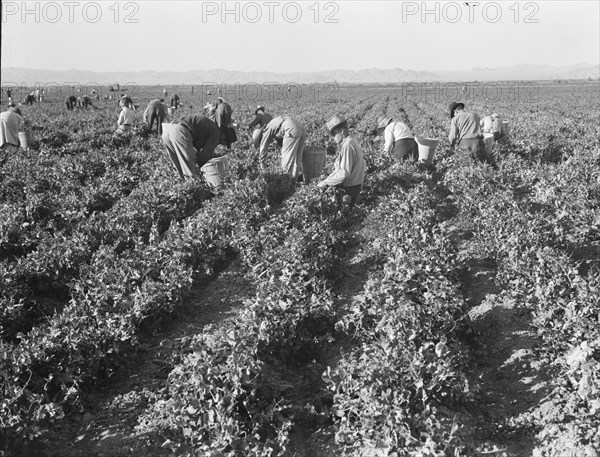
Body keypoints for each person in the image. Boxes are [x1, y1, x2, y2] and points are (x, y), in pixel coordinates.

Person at [317, 115, 366, 209]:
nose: (332, 138)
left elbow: (344, 173)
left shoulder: (348, 145)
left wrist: (325, 183)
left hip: (351, 188)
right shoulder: (349, 143)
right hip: (354, 185)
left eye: (334, 134)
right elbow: (339, 170)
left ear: (342, 131)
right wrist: (325, 181)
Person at [161, 113, 220, 180]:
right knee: (190, 168)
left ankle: (183, 183)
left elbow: (196, 146)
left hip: (167, 129)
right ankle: (193, 186)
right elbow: (204, 156)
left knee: (179, 165)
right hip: (179, 132)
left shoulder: (207, 125)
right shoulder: (216, 132)